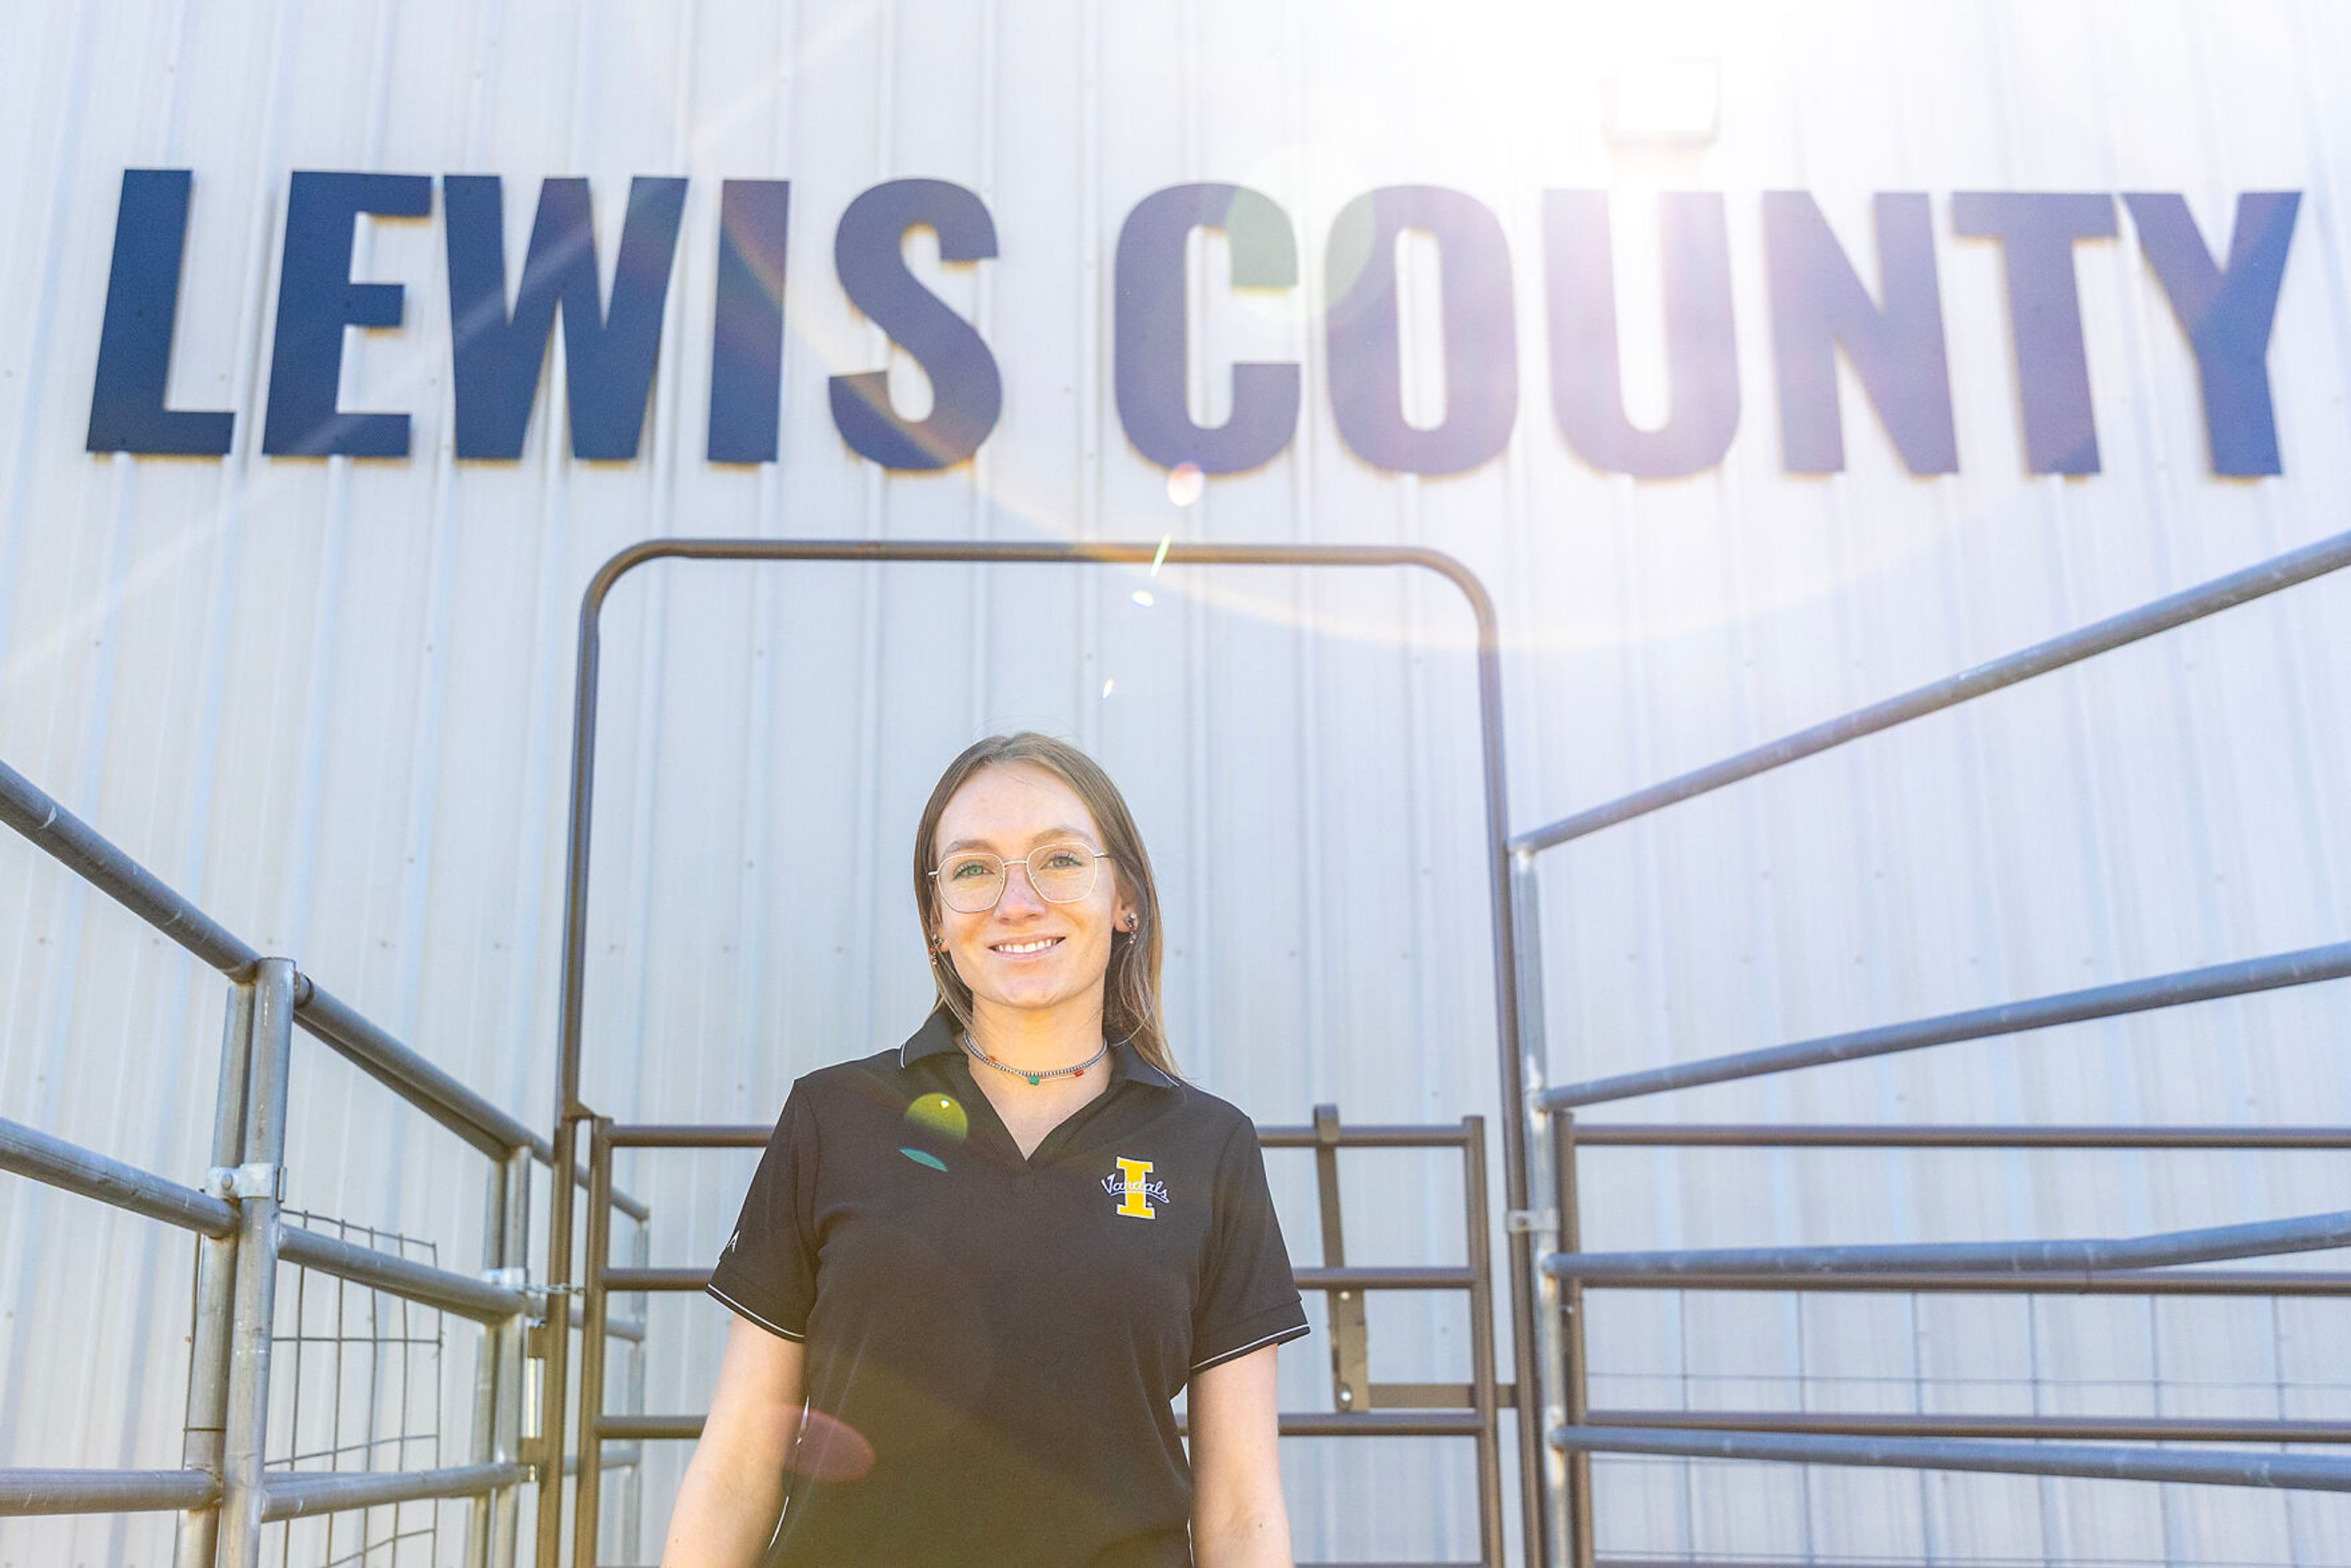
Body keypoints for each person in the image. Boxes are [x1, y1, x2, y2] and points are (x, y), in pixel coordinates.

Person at [661, 732, 1310, 1566]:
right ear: (937, 920)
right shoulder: (834, 1114)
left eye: (1060, 859)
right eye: (973, 869)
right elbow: (737, 1467)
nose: (1018, 901)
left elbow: (1241, 1508)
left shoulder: (1210, 1145)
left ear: (1127, 899)